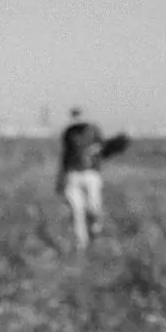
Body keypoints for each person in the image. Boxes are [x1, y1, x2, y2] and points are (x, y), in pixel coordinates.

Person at [55, 107, 106, 251]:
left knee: (93, 206)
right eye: (74, 115)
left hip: (90, 173)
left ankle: (95, 226)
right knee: (77, 210)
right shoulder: (68, 132)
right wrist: (60, 179)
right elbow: (64, 155)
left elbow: (102, 148)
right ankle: (81, 244)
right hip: (72, 174)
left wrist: (94, 151)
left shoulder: (93, 130)